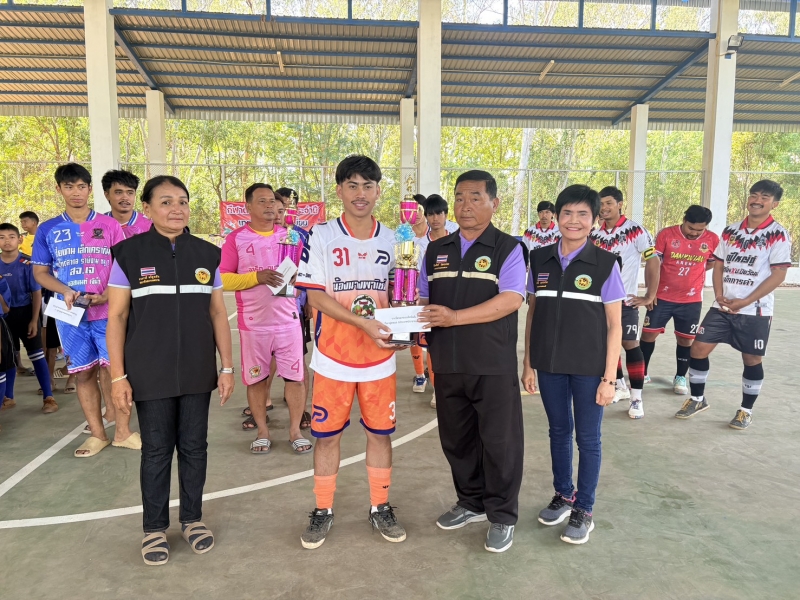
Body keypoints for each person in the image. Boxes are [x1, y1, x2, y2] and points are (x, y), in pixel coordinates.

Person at [106, 175, 235, 566]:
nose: (176, 209)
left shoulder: (207, 254)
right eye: (165, 202)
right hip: (149, 371)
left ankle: (192, 520)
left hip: (197, 370)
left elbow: (218, 313)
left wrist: (227, 367)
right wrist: (118, 377)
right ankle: (154, 528)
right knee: (157, 451)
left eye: (182, 201)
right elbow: (117, 316)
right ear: (147, 209)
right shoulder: (127, 254)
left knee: (195, 447)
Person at [295, 155, 406, 549]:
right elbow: (315, 297)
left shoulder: (395, 240)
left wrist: (404, 326)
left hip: (379, 358)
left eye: (368, 186)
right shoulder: (322, 235)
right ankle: (322, 509)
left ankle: (380, 506)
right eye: (353, 185)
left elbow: (402, 293)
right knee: (327, 438)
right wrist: (362, 323)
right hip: (333, 358)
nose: (361, 193)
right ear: (340, 190)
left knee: (380, 435)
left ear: (378, 191)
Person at [419, 170, 527, 554]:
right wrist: (405, 325)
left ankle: (502, 515)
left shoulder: (509, 248)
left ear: (494, 203)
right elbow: (422, 299)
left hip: (492, 363)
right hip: (447, 361)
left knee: (500, 442)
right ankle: (471, 502)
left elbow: (511, 299)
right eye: (460, 198)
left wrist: (455, 317)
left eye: (475, 197)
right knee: (457, 439)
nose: (466, 206)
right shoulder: (436, 249)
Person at [522, 184, 624, 545]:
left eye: (583, 214)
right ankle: (564, 495)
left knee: (588, 438)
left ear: (594, 220)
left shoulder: (606, 264)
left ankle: (585, 508)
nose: (574, 220)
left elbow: (615, 325)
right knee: (558, 431)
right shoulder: (539, 259)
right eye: (567, 213)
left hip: (589, 368)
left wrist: (609, 378)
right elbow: (533, 314)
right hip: (550, 364)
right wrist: (528, 363)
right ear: (556, 217)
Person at [31, 163, 140, 457]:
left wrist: (108, 294)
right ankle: (97, 434)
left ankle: (123, 432)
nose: (76, 193)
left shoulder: (110, 226)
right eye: (69, 187)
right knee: (83, 373)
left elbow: (125, 266)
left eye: (81, 186)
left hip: (109, 313)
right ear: (59, 189)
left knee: (116, 371)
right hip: (70, 317)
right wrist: (65, 290)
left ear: (90, 189)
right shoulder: (48, 229)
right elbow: (40, 273)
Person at [676, 180, 791, 430]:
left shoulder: (778, 234)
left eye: (765, 197)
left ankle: (745, 410)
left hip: (755, 310)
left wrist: (746, 301)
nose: (757, 200)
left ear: (774, 204)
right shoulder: (731, 231)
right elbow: (719, 264)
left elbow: (779, 274)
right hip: (722, 306)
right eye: (754, 195)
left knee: (751, 359)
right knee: (698, 349)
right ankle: (697, 399)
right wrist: (719, 295)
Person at [220, 183, 312, 455]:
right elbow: (222, 279)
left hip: (288, 321)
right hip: (253, 324)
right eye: (262, 201)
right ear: (248, 206)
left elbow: (306, 274)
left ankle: (295, 431)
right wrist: (256, 277)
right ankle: (263, 431)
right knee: (256, 380)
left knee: (295, 378)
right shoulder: (236, 239)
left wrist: (300, 283)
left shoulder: (291, 237)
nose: (270, 205)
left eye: (272, 200)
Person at [590, 186, 658, 419]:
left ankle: (636, 398)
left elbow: (653, 260)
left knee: (630, 343)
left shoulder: (635, 231)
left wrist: (649, 295)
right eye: (601, 204)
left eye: (609, 203)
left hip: (624, 301)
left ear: (620, 204)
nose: (604, 208)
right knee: (607, 344)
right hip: (598, 301)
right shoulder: (594, 235)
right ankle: (619, 385)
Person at [640, 206, 719, 394]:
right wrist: (650, 292)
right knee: (648, 335)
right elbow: (653, 264)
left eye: (700, 230)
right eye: (691, 228)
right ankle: (642, 373)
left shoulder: (713, 239)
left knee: (685, 340)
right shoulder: (666, 234)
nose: (695, 233)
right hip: (661, 297)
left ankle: (680, 377)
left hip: (691, 300)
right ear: (684, 220)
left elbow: (711, 262)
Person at [0, 224, 56, 412]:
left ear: (19, 239)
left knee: (36, 354)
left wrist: (34, 320)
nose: (7, 241)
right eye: (1, 237)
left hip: (25, 313)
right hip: (3, 318)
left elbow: (36, 293)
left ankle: (48, 397)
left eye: (11, 236)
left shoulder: (28, 263)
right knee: (8, 357)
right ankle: (8, 396)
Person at [414, 194, 450, 408]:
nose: (435, 218)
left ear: (446, 215)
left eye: (439, 213)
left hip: (452, 302)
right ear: (426, 217)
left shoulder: (458, 239)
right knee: (432, 348)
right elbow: (419, 277)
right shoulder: (420, 245)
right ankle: (437, 390)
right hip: (429, 302)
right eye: (431, 214)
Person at [102, 169, 152, 238]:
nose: (125, 198)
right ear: (107, 195)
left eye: (130, 193)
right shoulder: (97, 224)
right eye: (119, 192)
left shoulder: (149, 225)